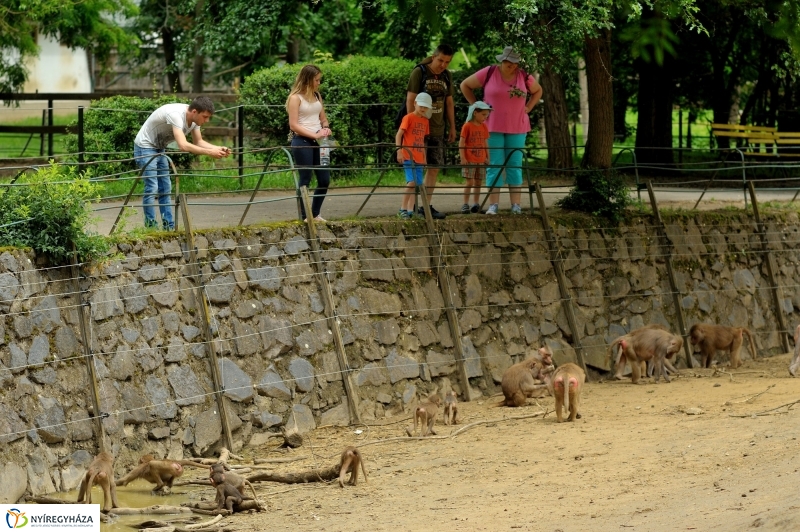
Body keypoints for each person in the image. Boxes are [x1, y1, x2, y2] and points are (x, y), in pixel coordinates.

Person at [460, 46, 543, 215]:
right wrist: (477, 106)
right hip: (492, 126)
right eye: (509, 64)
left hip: (517, 126)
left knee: (514, 165)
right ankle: (493, 205)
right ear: (502, 61)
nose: (512, 67)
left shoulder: (524, 76)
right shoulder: (489, 72)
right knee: (494, 165)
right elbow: (465, 85)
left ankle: (516, 206)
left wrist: (528, 107)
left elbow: (538, 91)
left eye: (515, 64)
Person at [133, 96, 230, 230]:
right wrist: (210, 153)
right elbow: (183, 146)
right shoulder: (176, 115)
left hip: (159, 147)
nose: (206, 120)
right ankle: (151, 226)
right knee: (152, 187)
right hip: (145, 146)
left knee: (165, 188)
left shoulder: (196, 120)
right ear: (195, 112)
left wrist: (217, 148)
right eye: (205, 117)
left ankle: (169, 227)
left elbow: (199, 142)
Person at [405, 44, 456, 219]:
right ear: (433, 57)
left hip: (438, 129)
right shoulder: (419, 72)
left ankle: (425, 206)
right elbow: (410, 99)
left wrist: (452, 127)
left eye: (447, 62)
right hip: (419, 129)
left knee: (434, 168)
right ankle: (409, 208)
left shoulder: (447, 76)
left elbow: (449, 102)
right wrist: (409, 127)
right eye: (441, 60)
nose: (443, 64)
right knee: (416, 169)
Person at [286, 64, 332, 222]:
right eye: (317, 80)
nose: (319, 83)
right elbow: (293, 125)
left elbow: (323, 118)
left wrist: (325, 128)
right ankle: (305, 216)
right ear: (307, 79)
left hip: (321, 142)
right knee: (305, 178)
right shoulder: (295, 98)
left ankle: (315, 213)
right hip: (303, 141)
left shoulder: (317, 96)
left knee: (324, 179)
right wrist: (314, 134)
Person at [396, 93, 432, 220]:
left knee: (417, 184)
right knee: (411, 182)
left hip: (419, 157)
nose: (422, 109)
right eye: (421, 105)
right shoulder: (408, 118)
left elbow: (422, 140)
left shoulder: (425, 121)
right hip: (408, 155)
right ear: (415, 104)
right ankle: (402, 209)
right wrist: (399, 150)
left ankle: (411, 210)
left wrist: (424, 157)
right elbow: (399, 135)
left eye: (425, 107)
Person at [459, 101, 492, 214]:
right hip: (470, 159)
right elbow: (462, 142)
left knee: (478, 182)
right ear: (475, 113)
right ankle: (465, 204)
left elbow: (485, 142)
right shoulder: (467, 126)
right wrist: (463, 158)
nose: (485, 117)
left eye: (487, 115)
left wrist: (488, 156)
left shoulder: (484, 127)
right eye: (483, 114)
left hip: (481, 159)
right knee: (470, 182)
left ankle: (476, 204)